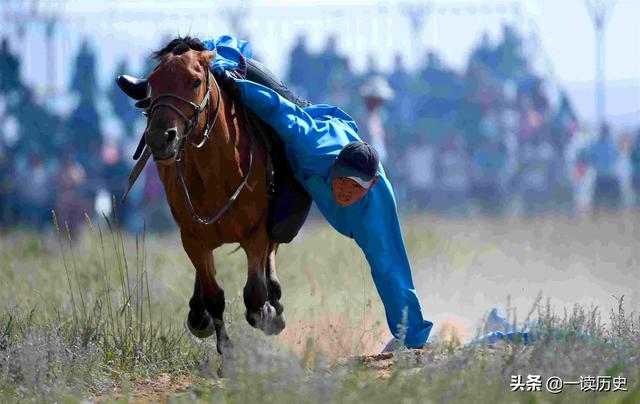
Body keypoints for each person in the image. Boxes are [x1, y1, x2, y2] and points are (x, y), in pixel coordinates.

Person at [119, 35, 433, 350]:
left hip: (364, 188)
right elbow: (277, 107)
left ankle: (412, 337)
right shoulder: (309, 143)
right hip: (317, 128)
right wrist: (232, 79)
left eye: (355, 189)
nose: (345, 193)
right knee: (287, 107)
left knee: (386, 266)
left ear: (371, 185)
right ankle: (225, 59)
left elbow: (393, 263)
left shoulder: (374, 200)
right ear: (333, 170)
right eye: (343, 183)